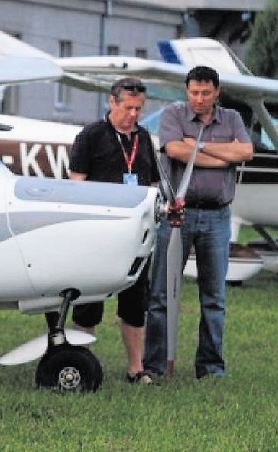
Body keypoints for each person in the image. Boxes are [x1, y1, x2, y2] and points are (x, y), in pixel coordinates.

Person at [143, 66, 253, 379]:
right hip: (178, 214)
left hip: (218, 216)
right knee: (162, 294)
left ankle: (211, 367)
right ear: (186, 91)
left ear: (216, 92)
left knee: (214, 296)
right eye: (194, 92)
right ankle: (155, 364)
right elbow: (176, 149)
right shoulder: (173, 115)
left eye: (206, 93)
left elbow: (245, 151)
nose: (199, 98)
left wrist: (199, 147)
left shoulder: (231, 118)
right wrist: (223, 155)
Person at [68, 77, 159, 384]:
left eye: (139, 109)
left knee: (135, 303)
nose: (134, 115)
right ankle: (82, 361)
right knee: (88, 303)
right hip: (98, 235)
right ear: (112, 102)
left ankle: (136, 368)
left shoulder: (143, 138)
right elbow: (76, 184)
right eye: (128, 108)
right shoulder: (91, 135)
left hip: (136, 236)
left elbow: (152, 182)